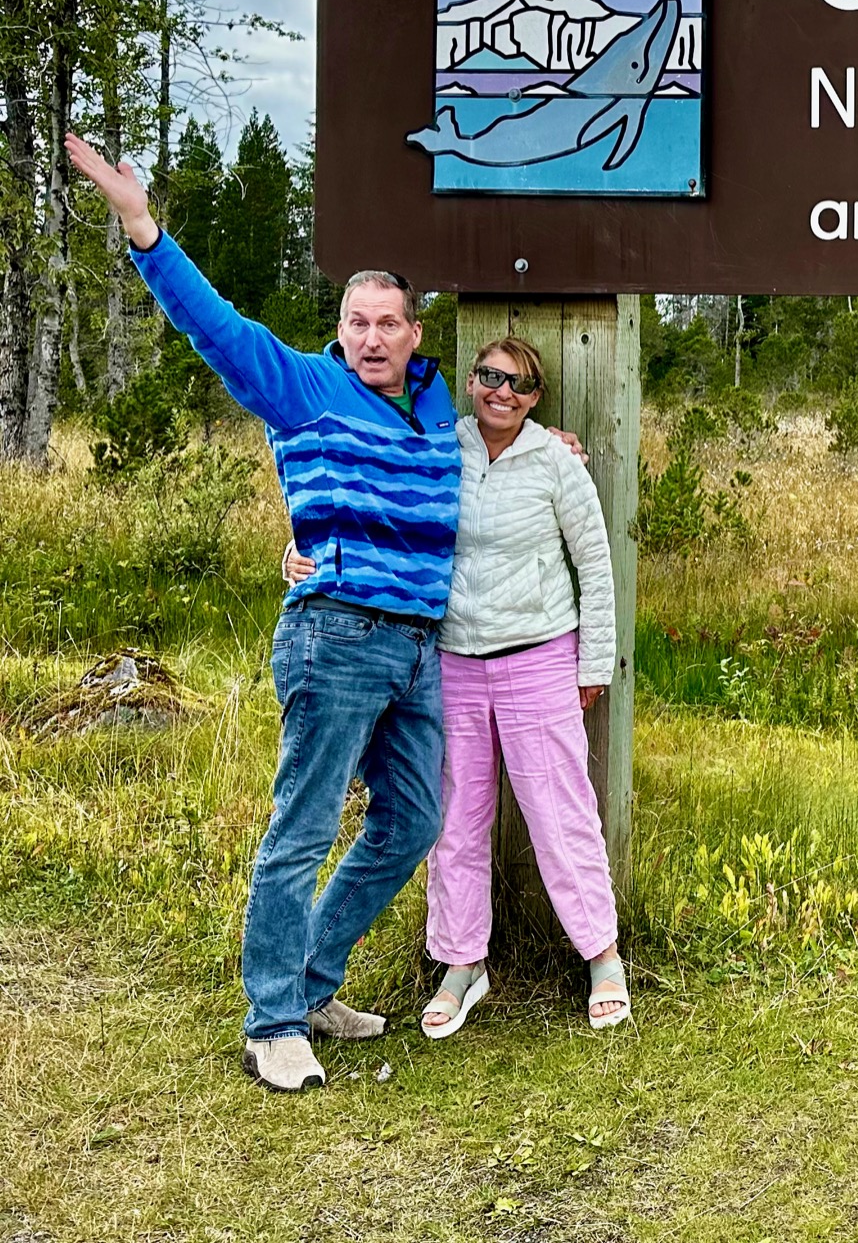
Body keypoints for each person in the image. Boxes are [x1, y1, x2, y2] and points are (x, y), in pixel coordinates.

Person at [64, 133, 461, 1094]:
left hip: (416, 648)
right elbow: (219, 329)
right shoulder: (305, 387)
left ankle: (313, 982)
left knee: (412, 819)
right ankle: (273, 1018)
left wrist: (551, 441)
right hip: (336, 634)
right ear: (341, 327)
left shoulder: (439, 409)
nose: (371, 336)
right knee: (304, 824)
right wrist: (142, 227)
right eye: (356, 320)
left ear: (415, 331)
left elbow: (492, 453)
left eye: (388, 323)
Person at [287, 333, 629, 1033]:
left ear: (536, 398)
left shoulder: (555, 462)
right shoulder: (440, 442)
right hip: (452, 662)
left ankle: (602, 954)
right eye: (489, 377)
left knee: (559, 812)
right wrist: (300, 547)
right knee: (456, 820)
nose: (502, 391)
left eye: (520, 384)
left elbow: (594, 564)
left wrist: (593, 662)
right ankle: (462, 962)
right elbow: (369, 494)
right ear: (470, 382)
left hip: (538, 656)